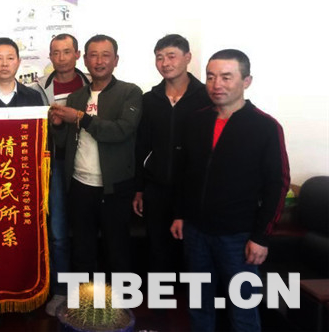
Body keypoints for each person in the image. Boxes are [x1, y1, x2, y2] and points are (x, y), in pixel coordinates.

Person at [170, 49, 290, 331]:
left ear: (246, 81)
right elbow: (184, 173)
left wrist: (261, 237)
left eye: (226, 77)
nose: (217, 85)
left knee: (243, 309)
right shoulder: (196, 121)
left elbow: (278, 184)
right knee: (199, 304)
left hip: (239, 237)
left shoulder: (265, 126)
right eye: (211, 77)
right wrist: (180, 214)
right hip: (196, 232)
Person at [50, 34, 142, 278]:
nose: (99, 61)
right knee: (82, 249)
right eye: (93, 55)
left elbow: (122, 130)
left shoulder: (130, 92)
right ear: (85, 60)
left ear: (116, 60)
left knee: (117, 249)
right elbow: (66, 143)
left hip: (114, 187)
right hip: (80, 184)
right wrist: (58, 126)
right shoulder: (77, 97)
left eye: (105, 55)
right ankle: (84, 298)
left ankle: (120, 297)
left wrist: (81, 118)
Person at [133, 34, 211, 274]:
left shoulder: (206, 97)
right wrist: (139, 188)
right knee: (157, 251)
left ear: (187, 57)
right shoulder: (150, 99)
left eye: (171, 56)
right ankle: (161, 297)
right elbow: (141, 146)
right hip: (157, 189)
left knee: (193, 254)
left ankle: (192, 298)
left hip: (194, 191)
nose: (165, 63)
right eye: (159, 58)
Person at [30, 33, 90, 316]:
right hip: (53, 166)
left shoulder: (92, 84)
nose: (62, 58)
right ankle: (61, 290)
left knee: (86, 230)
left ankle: (89, 291)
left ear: (77, 54)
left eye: (67, 52)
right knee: (57, 233)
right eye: (56, 52)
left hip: (86, 165)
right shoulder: (38, 88)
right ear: (50, 56)